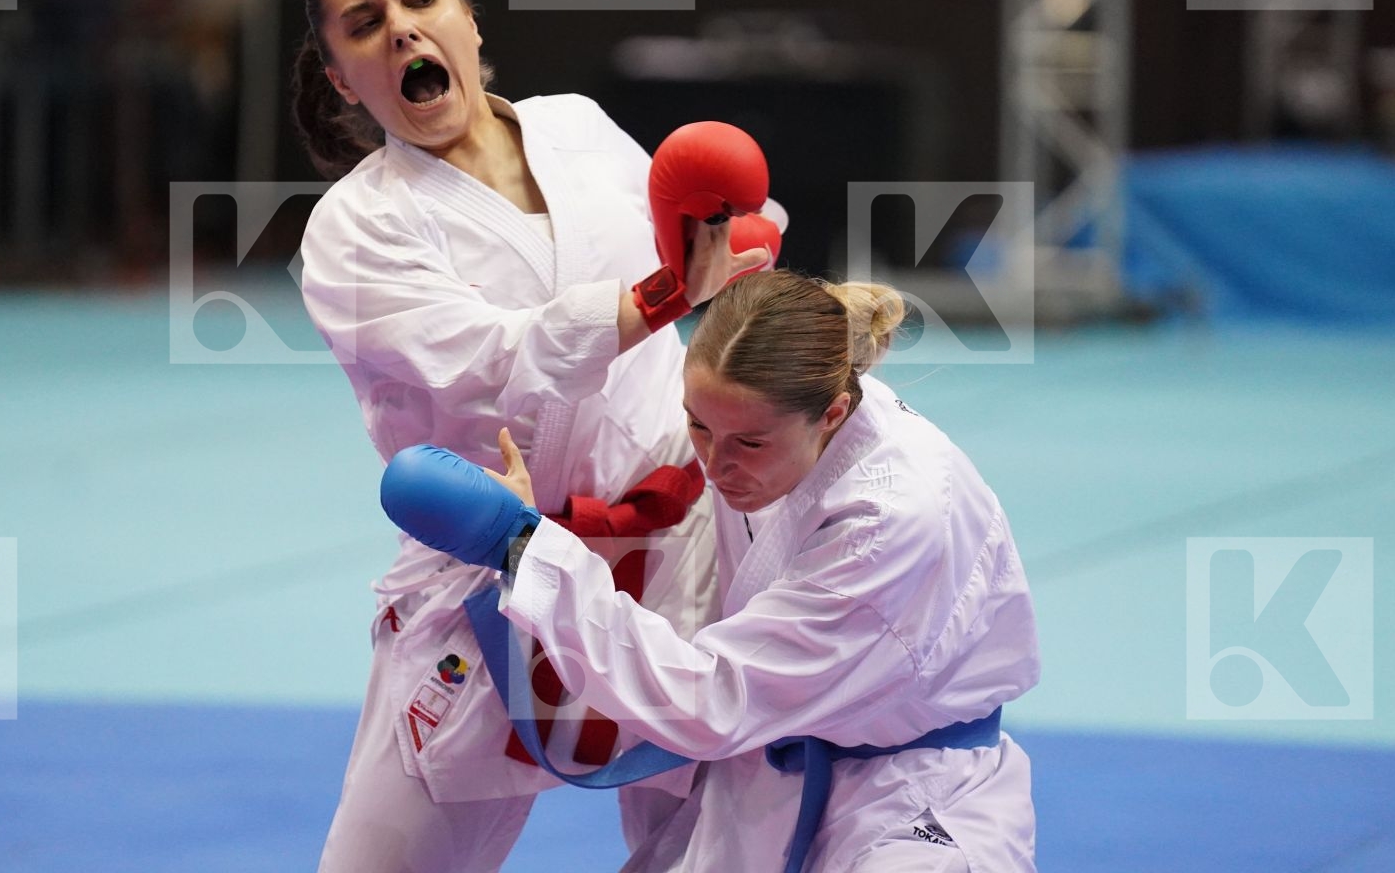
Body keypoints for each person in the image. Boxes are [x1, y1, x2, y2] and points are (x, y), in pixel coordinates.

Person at [293, 0, 772, 872]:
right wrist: (662, 296)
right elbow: (495, 362)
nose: (400, 28)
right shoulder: (354, 229)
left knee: (708, 854)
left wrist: (742, 241)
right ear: (344, 77)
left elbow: (709, 249)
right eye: (364, 21)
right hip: (488, 571)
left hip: (674, 557)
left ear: (469, 22)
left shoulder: (580, 129)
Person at [386, 270, 1040, 871]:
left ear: (833, 414)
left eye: (748, 443)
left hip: (911, 806)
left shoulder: (892, 518)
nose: (717, 464)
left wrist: (523, 544)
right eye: (699, 427)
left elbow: (709, 699)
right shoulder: (779, 415)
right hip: (764, 779)